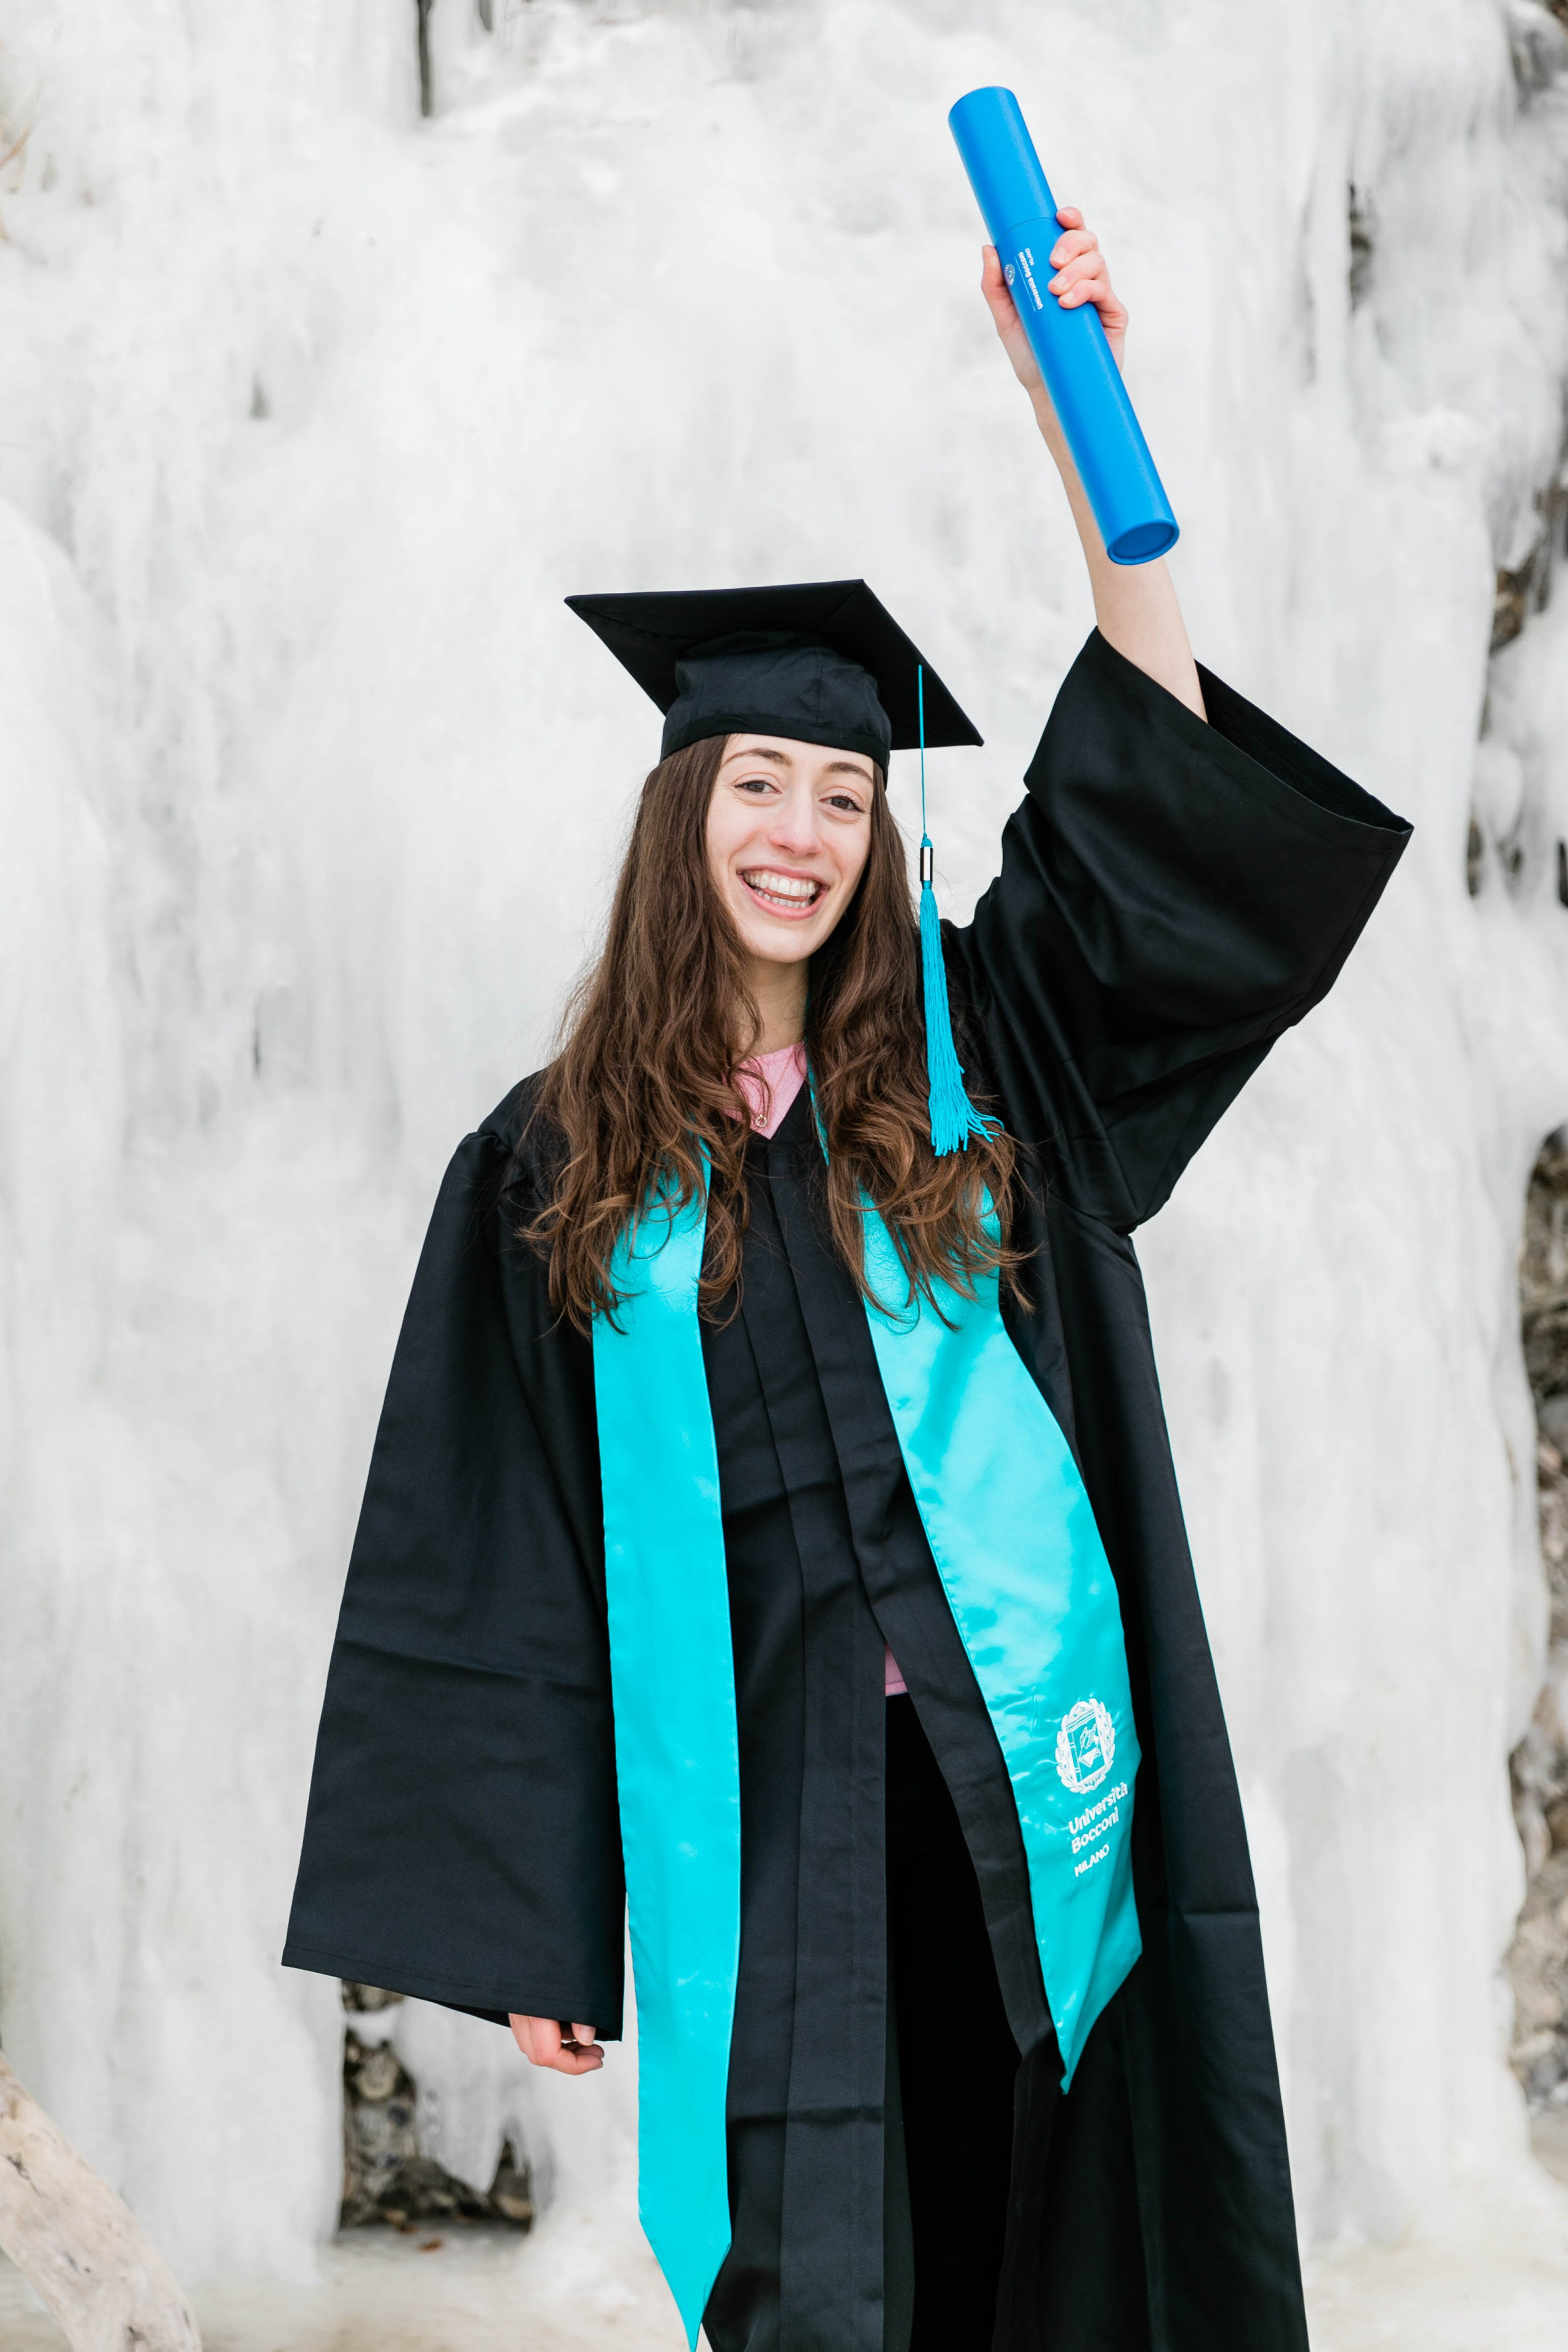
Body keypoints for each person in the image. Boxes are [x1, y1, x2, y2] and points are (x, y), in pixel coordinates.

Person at [284, 215, 1409, 2352]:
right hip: (769, 1804)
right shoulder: (554, 1166)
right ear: (682, 811)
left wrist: (1081, 424)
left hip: (1027, 1787)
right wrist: (545, 1906)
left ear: (881, 832)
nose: (799, 828)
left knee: (1045, 2241)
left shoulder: (990, 1065)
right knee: (815, 2270)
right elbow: (502, 1547)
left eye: (843, 789)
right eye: (759, 784)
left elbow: (1155, 795)